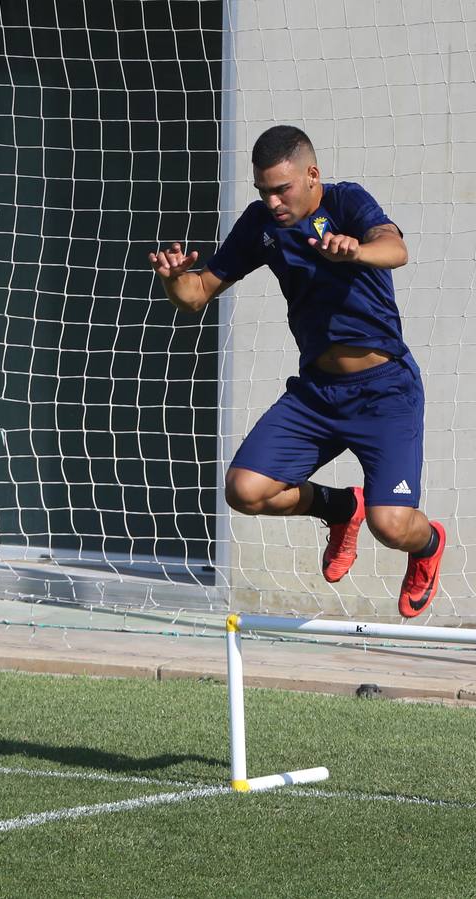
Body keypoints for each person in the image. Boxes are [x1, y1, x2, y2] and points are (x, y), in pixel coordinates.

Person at [148, 125, 445, 618]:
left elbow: (396, 249)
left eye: (281, 189)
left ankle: (429, 544)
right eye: (263, 190)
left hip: (384, 392)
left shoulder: (348, 202)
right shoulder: (260, 225)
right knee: (244, 490)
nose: (273, 200)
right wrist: (174, 279)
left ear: (311, 174)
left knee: (391, 526)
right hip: (318, 393)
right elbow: (196, 296)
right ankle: (337, 508)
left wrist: (357, 251)